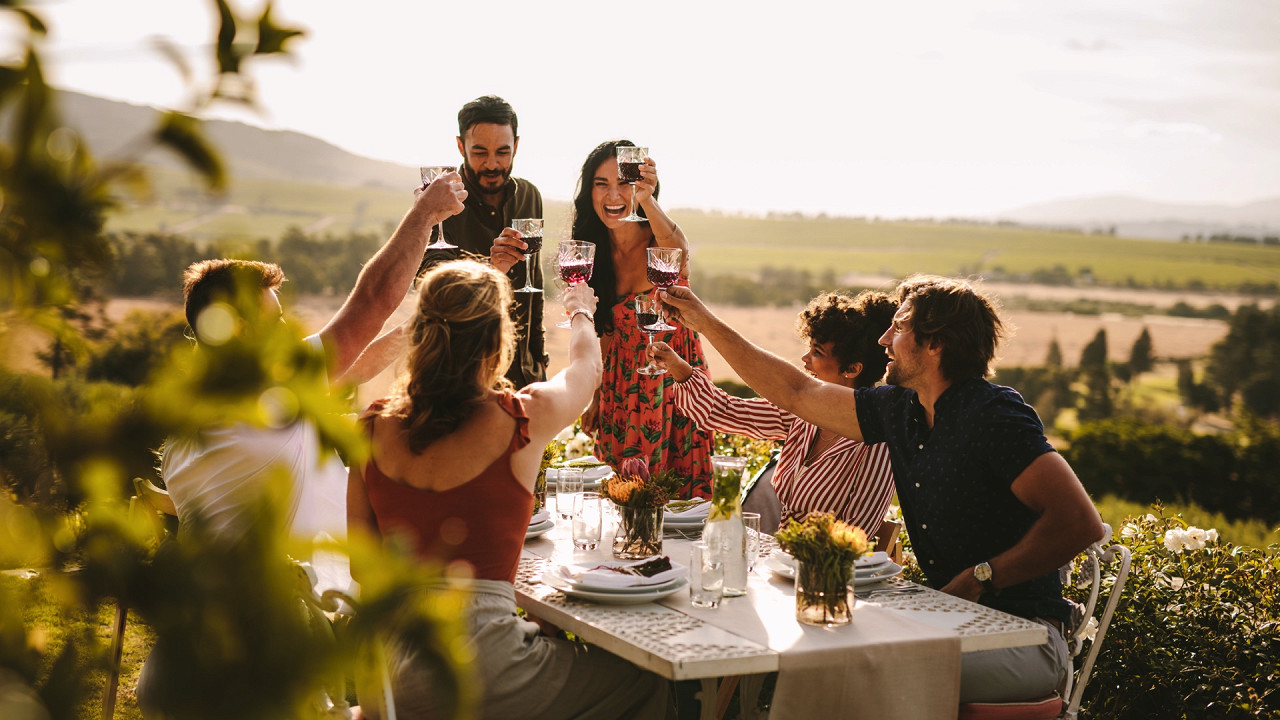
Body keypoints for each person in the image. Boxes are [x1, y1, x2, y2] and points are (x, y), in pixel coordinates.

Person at [658, 275, 1104, 704]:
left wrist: (980, 577)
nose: (883, 339)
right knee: (823, 654)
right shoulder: (900, 411)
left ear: (936, 343)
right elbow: (796, 391)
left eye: (900, 326)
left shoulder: (993, 415)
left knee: (850, 667)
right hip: (949, 623)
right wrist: (702, 320)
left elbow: (1080, 523)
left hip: (1024, 636)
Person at [347, 260, 672, 719]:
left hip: (388, 677)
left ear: (418, 336)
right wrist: (581, 309)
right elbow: (586, 368)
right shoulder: (522, 416)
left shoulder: (372, 427)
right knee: (643, 682)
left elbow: (362, 571)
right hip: (480, 670)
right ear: (498, 339)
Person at [160, 174, 467, 544]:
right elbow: (373, 301)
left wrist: (432, 320)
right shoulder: (271, 393)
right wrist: (423, 215)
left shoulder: (190, 415)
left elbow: (354, 368)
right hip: (309, 595)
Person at [650, 290, 897, 535]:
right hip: (781, 560)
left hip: (824, 567)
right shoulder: (802, 416)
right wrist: (677, 367)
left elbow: (855, 533)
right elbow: (723, 411)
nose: (805, 358)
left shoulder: (876, 444)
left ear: (852, 369)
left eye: (817, 352)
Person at [570, 139, 713, 497]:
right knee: (625, 496)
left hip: (674, 380)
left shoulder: (659, 239)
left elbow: (678, 249)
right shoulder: (591, 250)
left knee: (679, 503)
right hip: (622, 386)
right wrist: (597, 394)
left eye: (624, 184)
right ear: (589, 191)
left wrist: (647, 199)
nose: (612, 195)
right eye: (601, 184)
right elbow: (606, 330)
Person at [423, 94, 547, 388]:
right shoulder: (438, 202)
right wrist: (489, 269)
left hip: (522, 372)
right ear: (460, 146)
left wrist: (538, 360)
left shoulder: (530, 196)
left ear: (516, 145)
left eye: (503, 152)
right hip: (459, 375)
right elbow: (429, 290)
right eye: (479, 152)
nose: (492, 164)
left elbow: (534, 284)